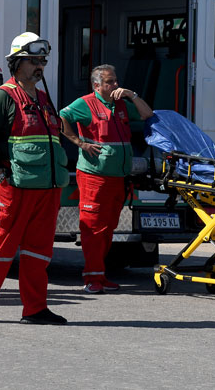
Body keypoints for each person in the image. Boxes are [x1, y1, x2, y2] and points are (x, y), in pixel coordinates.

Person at [0, 32, 68, 325]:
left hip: (46, 186)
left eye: (42, 60)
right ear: (17, 63)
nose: (39, 66)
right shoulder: (3, 97)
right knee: (4, 244)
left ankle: (35, 308)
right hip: (15, 186)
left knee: (39, 250)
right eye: (33, 60)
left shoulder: (42, 98)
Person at [60, 64, 153, 294]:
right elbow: (60, 117)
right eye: (109, 82)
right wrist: (79, 143)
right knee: (93, 229)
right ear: (97, 85)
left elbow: (147, 114)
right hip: (94, 176)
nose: (114, 86)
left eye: (115, 81)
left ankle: (100, 275)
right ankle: (91, 278)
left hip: (117, 177)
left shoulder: (121, 104)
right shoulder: (85, 103)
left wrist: (132, 95)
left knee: (109, 227)